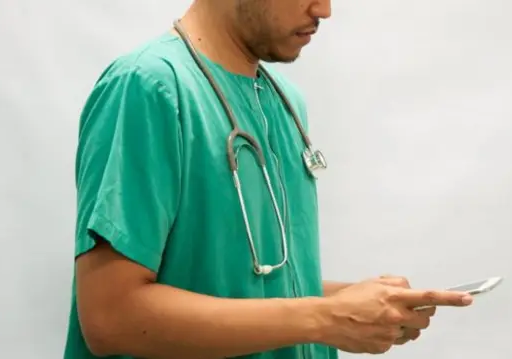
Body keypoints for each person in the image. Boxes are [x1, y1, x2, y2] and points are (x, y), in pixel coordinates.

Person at [63, 0, 474, 358]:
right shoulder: (148, 88)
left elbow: (243, 284)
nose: (323, 10)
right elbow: (110, 318)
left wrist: (357, 303)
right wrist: (324, 317)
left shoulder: (283, 101)